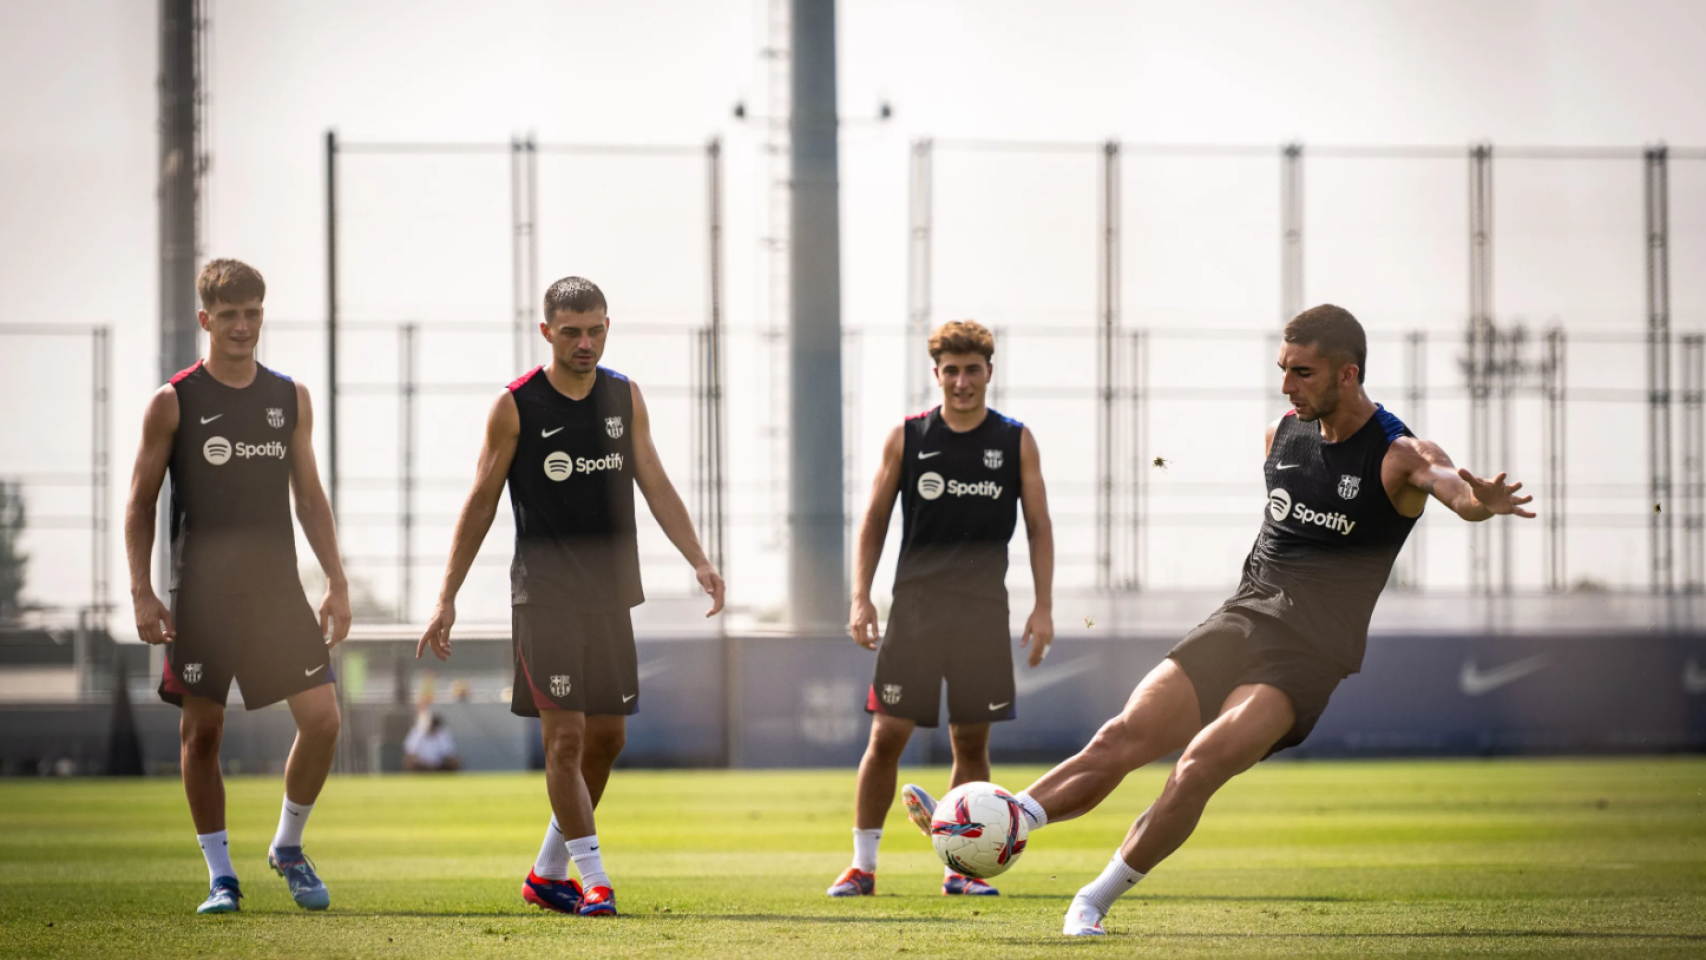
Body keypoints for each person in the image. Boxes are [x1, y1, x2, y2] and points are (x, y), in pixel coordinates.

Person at [901, 304, 1536, 935]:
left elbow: (1451, 484)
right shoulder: (1280, 434)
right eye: (1283, 369)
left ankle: (1090, 901)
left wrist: (1477, 502)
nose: (1287, 386)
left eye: (1303, 373)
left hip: (1307, 656)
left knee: (1198, 764)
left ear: (1348, 374)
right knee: (1121, 737)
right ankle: (998, 821)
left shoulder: (1399, 454)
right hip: (1239, 621)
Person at [418, 276, 724, 919]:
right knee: (564, 741)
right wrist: (446, 596)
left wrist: (699, 558)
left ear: (607, 327)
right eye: (572, 332)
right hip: (545, 597)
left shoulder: (624, 396)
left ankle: (547, 873)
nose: (585, 343)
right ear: (547, 332)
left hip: (611, 596)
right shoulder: (516, 406)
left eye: (596, 329)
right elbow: (479, 503)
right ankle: (596, 880)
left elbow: (657, 483)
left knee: (606, 740)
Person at [124, 258, 351, 915]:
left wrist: (335, 581)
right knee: (203, 733)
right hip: (202, 597)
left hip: (279, 594)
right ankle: (221, 876)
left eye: (253, 313)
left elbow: (309, 497)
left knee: (324, 720)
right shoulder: (174, 402)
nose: (243, 326)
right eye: (229, 316)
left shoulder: (289, 398)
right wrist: (141, 591)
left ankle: (288, 846)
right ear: (206, 320)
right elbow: (140, 503)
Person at [828, 320, 1055, 898]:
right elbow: (875, 521)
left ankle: (961, 867)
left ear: (988, 372)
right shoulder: (909, 437)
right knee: (886, 738)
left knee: (971, 745)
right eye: (950, 371)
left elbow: (1039, 527)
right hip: (916, 616)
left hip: (982, 616)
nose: (961, 381)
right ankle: (863, 866)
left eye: (971, 370)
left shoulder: (1014, 440)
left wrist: (1043, 606)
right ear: (937, 375)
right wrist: (860, 596)